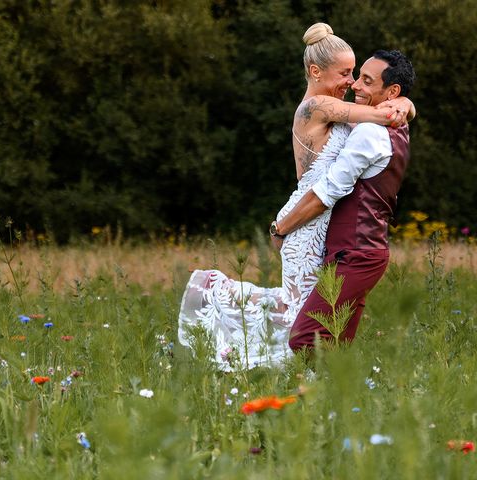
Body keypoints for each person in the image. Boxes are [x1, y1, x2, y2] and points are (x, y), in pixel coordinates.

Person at [178, 23, 415, 371]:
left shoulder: (339, 107)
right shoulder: (317, 106)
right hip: (305, 221)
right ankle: (215, 309)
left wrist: (404, 102)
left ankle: (309, 387)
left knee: (302, 313)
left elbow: (379, 117)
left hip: (320, 220)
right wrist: (403, 104)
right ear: (316, 71)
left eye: (358, 75)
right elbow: (380, 115)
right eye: (347, 74)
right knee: (300, 321)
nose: (351, 83)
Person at [271, 49, 416, 352]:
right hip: (350, 250)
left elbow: (326, 194)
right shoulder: (390, 124)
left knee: (304, 339)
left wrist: (280, 228)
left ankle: (315, 392)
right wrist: (405, 104)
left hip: (356, 252)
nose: (354, 86)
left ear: (391, 91)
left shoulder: (369, 133)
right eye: (353, 76)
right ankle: (333, 396)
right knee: (334, 343)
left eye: (365, 80)